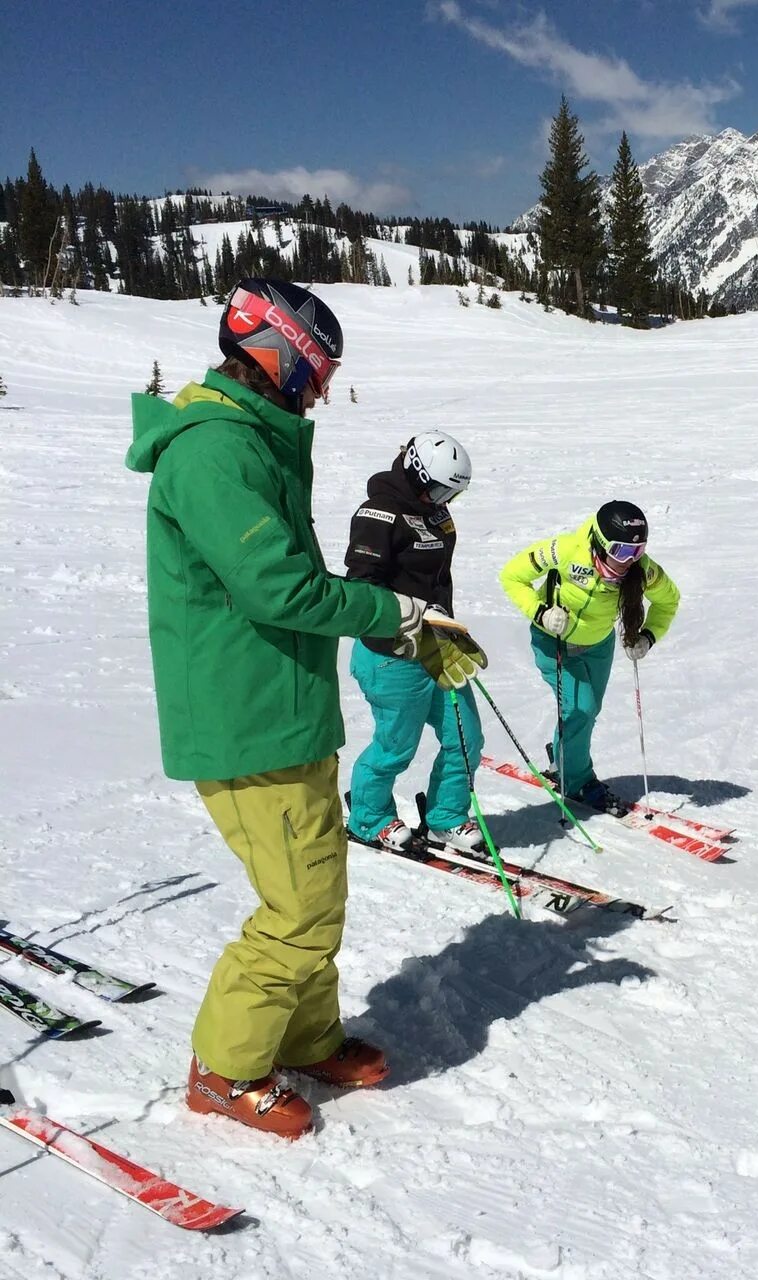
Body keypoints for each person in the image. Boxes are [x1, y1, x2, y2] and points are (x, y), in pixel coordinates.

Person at [126, 278, 479, 1138]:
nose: (321, 390)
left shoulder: (252, 442)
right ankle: (227, 1068)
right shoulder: (214, 451)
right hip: (246, 720)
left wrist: (403, 631)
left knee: (317, 890)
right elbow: (278, 586)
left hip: (287, 711)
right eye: (318, 371)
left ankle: (306, 1034)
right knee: (294, 910)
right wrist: (391, 613)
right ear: (280, 354)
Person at [344, 432, 487, 858]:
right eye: (443, 488)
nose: (447, 500)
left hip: (434, 647)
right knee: (395, 746)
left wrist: (443, 621)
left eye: (454, 493)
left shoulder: (438, 513)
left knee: (465, 737)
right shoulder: (378, 515)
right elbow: (361, 588)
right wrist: (411, 615)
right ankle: (369, 817)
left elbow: (439, 576)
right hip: (390, 653)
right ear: (418, 472)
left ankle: (445, 817)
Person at [499, 501, 679, 816]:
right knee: (580, 708)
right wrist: (542, 613)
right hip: (553, 641)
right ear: (598, 541)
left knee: (586, 712)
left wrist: (648, 636)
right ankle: (577, 781)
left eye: (637, 552)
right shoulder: (566, 550)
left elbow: (669, 600)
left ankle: (564, 758)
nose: (628, 562)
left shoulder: (642, 570)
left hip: (599, 645)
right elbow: (512, 576)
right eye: (621, 551)